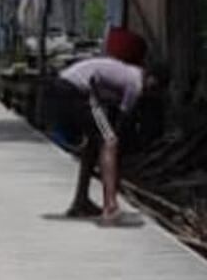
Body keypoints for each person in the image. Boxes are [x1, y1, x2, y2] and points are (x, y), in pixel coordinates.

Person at [51, 55, 157, 221]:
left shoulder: (128, 73)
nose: (151, 91)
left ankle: (81, 202)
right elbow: (122, 120)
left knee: (95, 144)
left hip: (64, 85)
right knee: (110, 141)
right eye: (154, 86)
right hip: (78, 89)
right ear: (151, 78)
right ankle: (110, 206)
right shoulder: (135, 84)